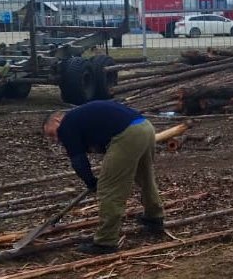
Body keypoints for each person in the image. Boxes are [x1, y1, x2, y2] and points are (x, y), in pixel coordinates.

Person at [43, 100, 165, 254]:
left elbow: (78, 160)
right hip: (145, 127)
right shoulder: (80, 117)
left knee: (109, 188)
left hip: (129, 134)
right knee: (145, 177)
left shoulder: (66, 125)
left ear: (57, 120)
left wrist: (90, 181)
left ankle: (106, 241)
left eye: (52, 134)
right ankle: (154, 217)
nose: (56, 139)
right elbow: (101, 141)